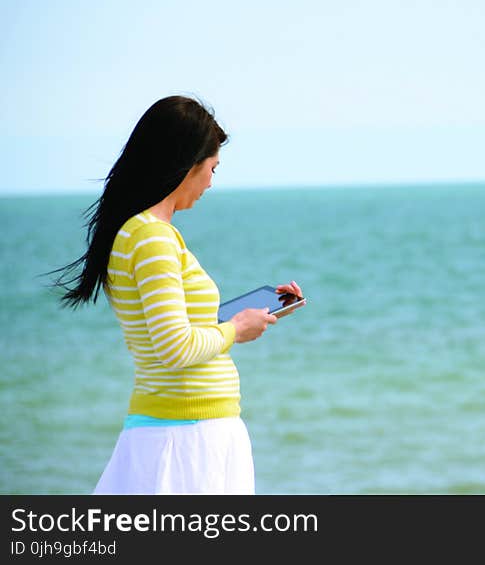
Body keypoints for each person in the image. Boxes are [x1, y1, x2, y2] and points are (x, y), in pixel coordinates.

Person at [50, 95, 304, 494]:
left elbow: (176, 330)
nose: (210, 184)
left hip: (180, 431)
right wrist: (236, 329)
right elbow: (175, 347)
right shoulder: (152, 238)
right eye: (212, 169)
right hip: (185, 439)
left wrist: (248, 316)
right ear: (188, 165)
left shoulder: (140, 233)